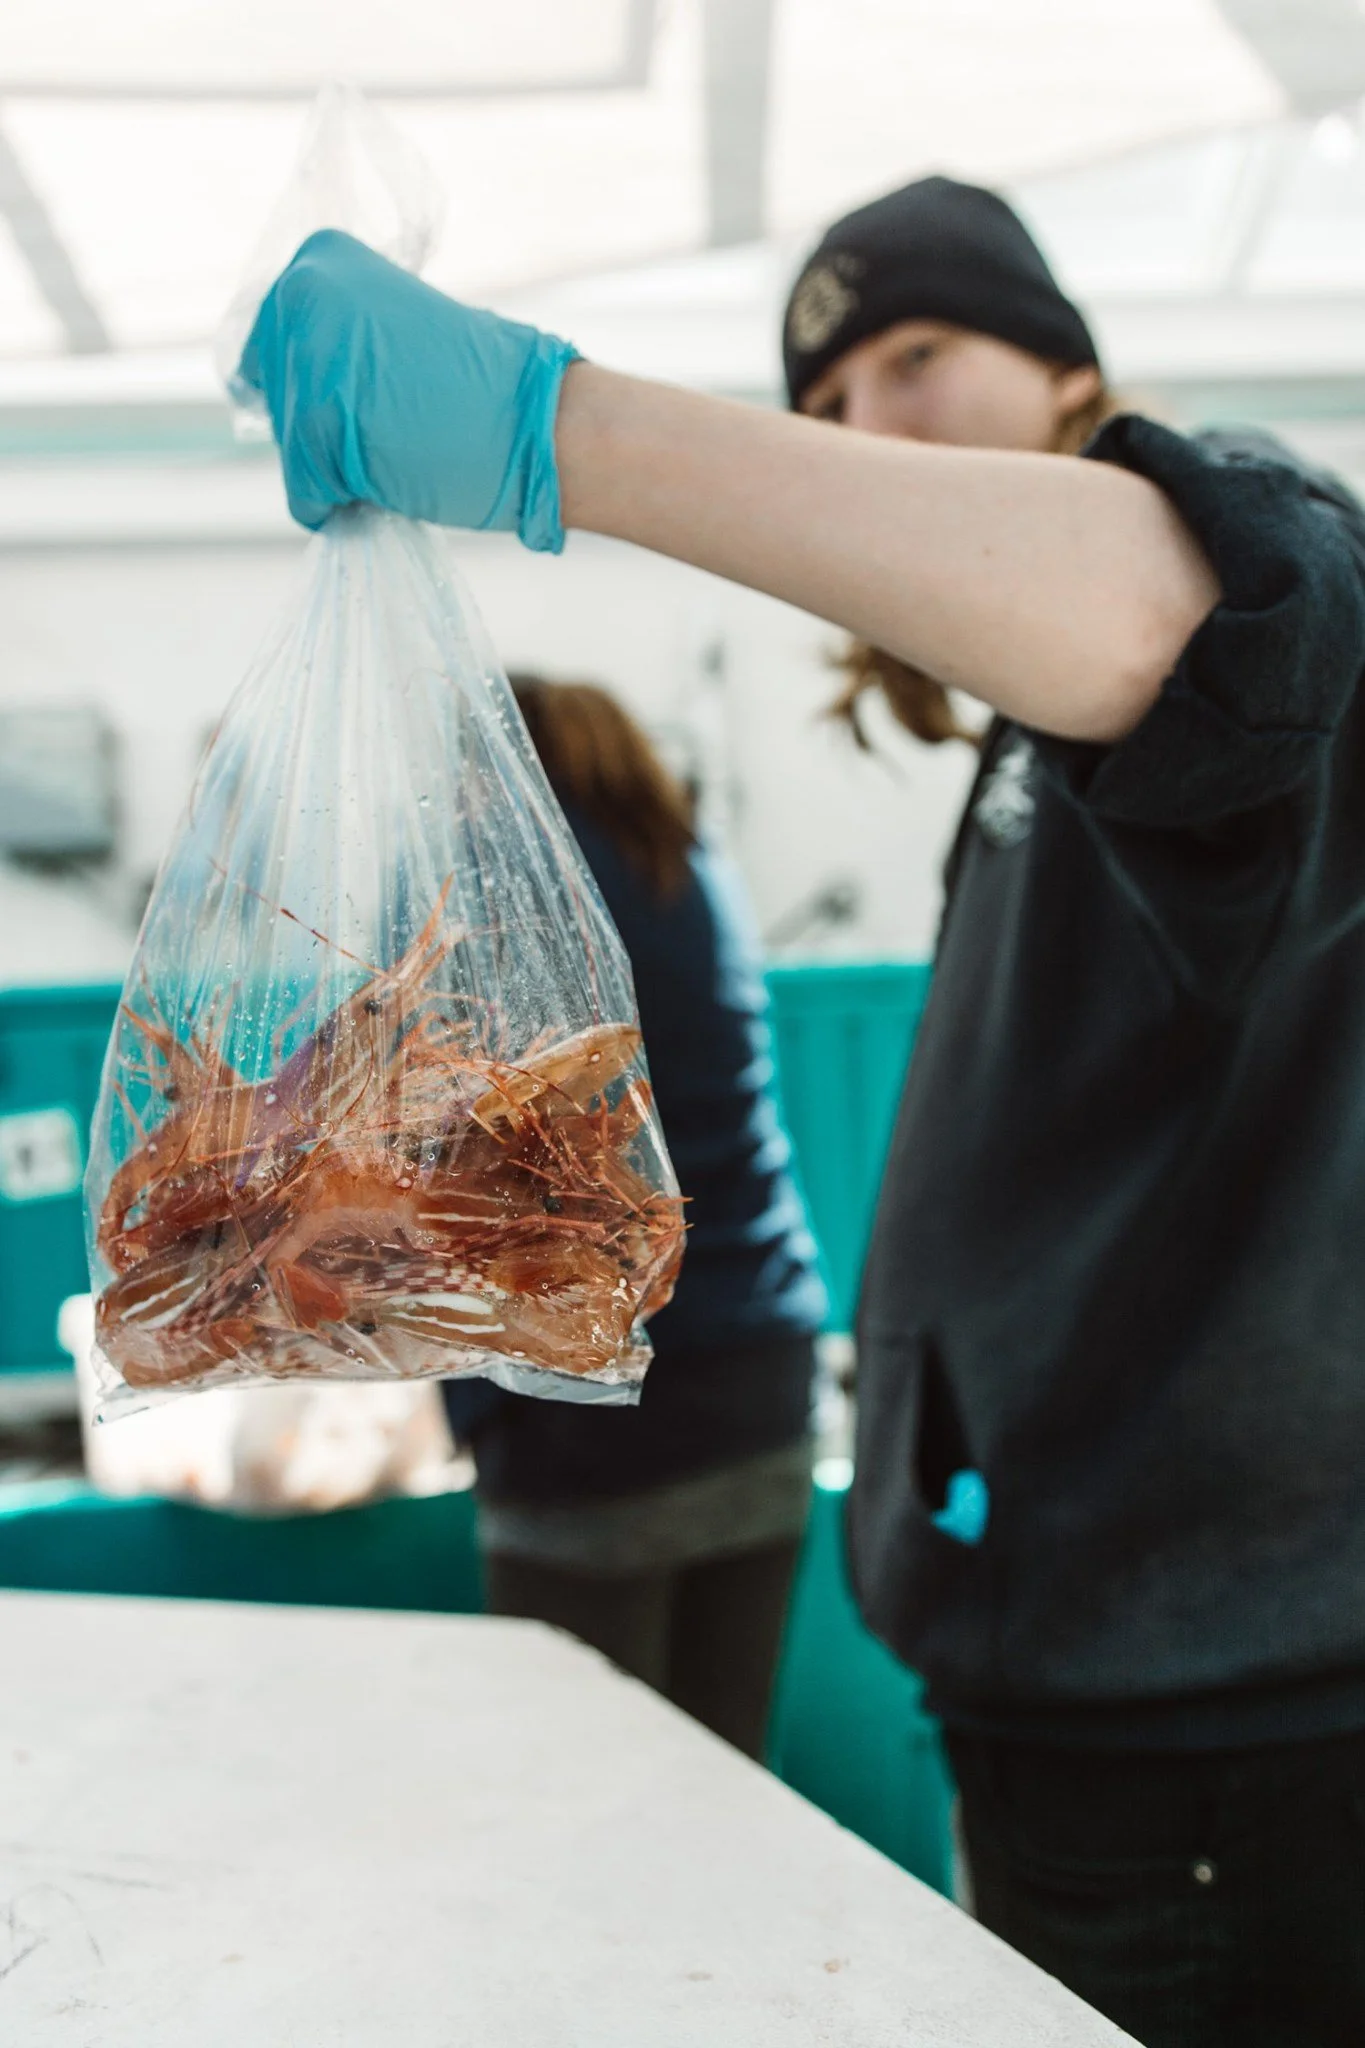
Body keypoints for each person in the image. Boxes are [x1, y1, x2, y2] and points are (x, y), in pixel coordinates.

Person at [241, 174, 1365, 2046]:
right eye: (827, 403)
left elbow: (1230, 619)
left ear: (1074, 372)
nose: (870, 422)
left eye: (919, 358)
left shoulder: (1219, 540)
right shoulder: (1043, 758)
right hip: (1086, 1694)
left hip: (1222, 1738)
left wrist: (557, 429)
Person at [441, 674, 827, 1762]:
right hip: (759, 1372)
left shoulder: (522, 899)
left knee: (585, 1792)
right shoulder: (696, 870)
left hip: (593, 1405)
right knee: (726, 1767)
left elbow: (443, 1152)